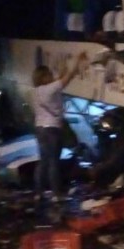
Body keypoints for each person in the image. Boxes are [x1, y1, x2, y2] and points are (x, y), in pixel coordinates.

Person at [31, 52, 87, 200]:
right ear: (43, 77)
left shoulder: (36, 91)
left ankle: (38, 193)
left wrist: (63, 68)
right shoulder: (49, 89)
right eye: (49, 74)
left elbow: (59, 79)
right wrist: (77, 60)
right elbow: (67, 78)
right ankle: (57, 193)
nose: (51, 76)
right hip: (52, 128)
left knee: (43, 161)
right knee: (53, 162)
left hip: (39, 128)